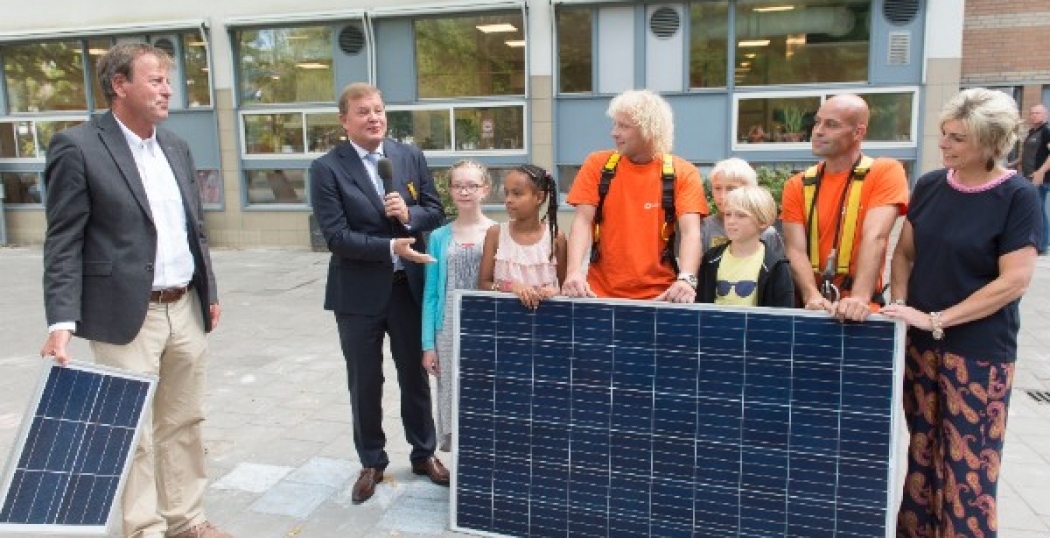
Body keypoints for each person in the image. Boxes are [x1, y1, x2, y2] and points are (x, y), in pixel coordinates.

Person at [38, 43, 229, 538]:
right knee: (130, 432)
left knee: (184, 421)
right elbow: (63, 241)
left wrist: (206, 289)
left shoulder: (177, 147)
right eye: (156, 79)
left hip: (184, 305)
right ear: (119, 85)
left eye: (167, 80)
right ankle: (141, 528)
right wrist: (61, 321)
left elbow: (194, 228)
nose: (168, 89)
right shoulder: (77, 146)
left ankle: (187, 520)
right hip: (126, 314)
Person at [881, 88, 1041, 538]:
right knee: (922, 457)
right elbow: (905, 253)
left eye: (957, 138)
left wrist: (937, 319)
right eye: (944, 134)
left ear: (990, 144)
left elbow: (1014, 281)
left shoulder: (1017, 196)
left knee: (967, 473)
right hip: (921, 346)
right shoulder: (931, 184)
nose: (944, 144)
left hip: (978, 352)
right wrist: (906, 306)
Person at [309, 82, 448, 505]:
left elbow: (436, 209)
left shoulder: (409, 156)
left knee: (415, 376)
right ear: (344, 120)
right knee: (364, 381)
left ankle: (424, 454)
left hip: (407, 288)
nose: (374, 118)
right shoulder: (327, 168)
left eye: (379, 110)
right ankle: (372, 461)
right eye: (363, 111)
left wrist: (409, 214)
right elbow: (335, 237)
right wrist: (390, 246)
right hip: (357, 295)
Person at [562, 89, 707, 302]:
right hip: (599, 293)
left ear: (649, 130)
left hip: (661, 296)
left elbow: (691, 233)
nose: (614, 132)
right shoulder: (597, 165)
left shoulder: (683, 172)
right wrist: (573, 271)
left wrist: (686, 279)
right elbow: (582, 221)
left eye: (624, 126)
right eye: (615, 124)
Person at [780, 93, 909, 320]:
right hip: (813, 308)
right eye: (817, 122)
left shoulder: (885, 172)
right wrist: (811, 295)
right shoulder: (796, 185)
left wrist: (859, 298)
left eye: (831, 125)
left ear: (858, 132)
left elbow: (875, 236)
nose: (818, 131)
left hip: (862, 310)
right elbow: (795, 249)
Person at [421, 160, 496, 451]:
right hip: (448, 329)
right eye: (458, 186)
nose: (465, 191)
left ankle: (485, 458)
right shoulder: (439, 237)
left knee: (485, 393)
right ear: (450, 190)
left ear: (485, 190)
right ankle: (461, 466)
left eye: (472, 185)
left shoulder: (498, 232)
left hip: (486, 330)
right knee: (451, 394)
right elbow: (431, 293)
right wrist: (428, 345)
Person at [478, 165, 567, 309]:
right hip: (504, 320)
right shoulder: (495, 234)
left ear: (539, 197)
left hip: (546, 321)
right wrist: (511, 286)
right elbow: (483, 284)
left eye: (517, 194)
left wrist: (554, 292)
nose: (508, 200)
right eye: (506, 193)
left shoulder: (556, 238)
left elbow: (565, 288)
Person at [698, 186, 794, 307]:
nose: (731, 221)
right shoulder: (711, 259)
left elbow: (783, 314)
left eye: (741, 215)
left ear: (762, 222)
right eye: (728, 214)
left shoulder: (776, 265)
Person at [700, 157, 784, 258]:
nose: (722, 195)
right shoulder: (705, 228)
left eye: (730, 188)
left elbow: (778, 267)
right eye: (717, 188)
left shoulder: (766, 232)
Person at [1018, 103, 1050, 254]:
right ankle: (1035, 241)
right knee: (1032, 209)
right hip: (1028, 176)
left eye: (1037, 113)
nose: (1033, 115)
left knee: (1038, 210)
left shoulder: (1047, 131)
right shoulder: (1032, 132)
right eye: (1031, 113)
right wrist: (1013, 163)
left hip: (1040, 178)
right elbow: (1026, 154)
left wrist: (1041, 171)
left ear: (1045, 115)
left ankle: (1042, 245)